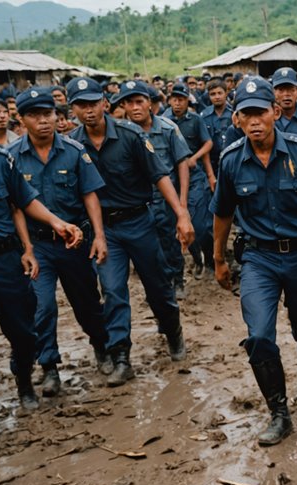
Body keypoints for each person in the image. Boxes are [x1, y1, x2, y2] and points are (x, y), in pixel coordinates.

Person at [211, 77, 297, 445]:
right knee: (259, 336)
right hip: (258, 258)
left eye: (260, 112)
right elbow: (222, 213)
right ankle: (279, 412)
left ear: (275, 112)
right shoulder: (232, 159)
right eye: (246, 114)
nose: (254, 121)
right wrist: (219, 258)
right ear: (237, 118)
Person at [67, 77, 194, 386]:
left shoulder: (131, 135)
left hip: (139, 222)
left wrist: (181, 213)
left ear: (105, 104)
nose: (89, 110)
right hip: (103, 230)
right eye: (81, 105)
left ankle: (172, 331)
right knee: (112, 291)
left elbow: (159, 175)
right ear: (72, 110)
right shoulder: (71, 145)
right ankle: (121, 355)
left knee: (158, 287)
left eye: (93, 103)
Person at [0, 112, 84, 445]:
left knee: (24, 333)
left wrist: (52, 226)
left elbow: (22, 202)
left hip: (6, 261)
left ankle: (23, 378)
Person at [12, 88, 109, 397]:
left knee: (87, 303)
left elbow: (89, 194)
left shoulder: (73, 150)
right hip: (38, 244)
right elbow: (14, 207)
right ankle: (49, 366)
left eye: (48, 114)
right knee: (41, 307)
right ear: (22, 119)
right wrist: (26, 248)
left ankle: (101, 347)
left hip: (74, 243)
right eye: (34, 115)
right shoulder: (11, 157)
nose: (43, 121)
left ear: (57, 115)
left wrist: (99, 236)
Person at [118, 81, 192, 299]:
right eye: (129, 103)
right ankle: (160, 285)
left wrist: (182, 205)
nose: (135, 108)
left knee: (171, 243)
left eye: (139, 102)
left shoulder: (168, 129)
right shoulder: (120, 133)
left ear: (149, 103)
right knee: (148, 249)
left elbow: (182, 165)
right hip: (137, 204)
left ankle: (176, 280)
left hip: (166, 200)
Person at [164, 83, 215, 280]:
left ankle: (210, 259)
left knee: (201, 226)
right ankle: (198, 259)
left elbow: (208, 142)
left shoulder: (195, 120)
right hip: (172, 180)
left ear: (188, 100)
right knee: (181, 225)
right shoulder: (164, 121)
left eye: (181, 99)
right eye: (174, 99)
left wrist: (195, 158)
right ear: (169, 100)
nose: (177, 103)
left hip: (195, 178)